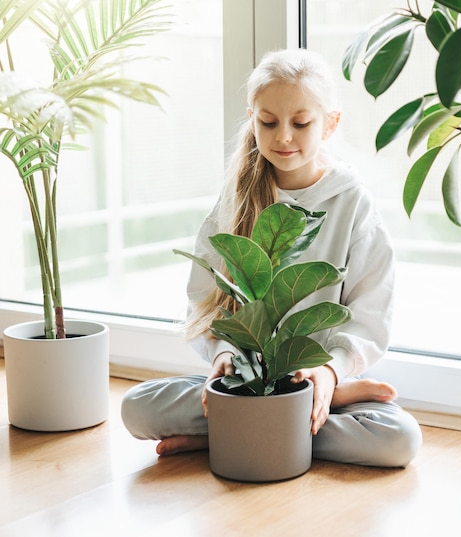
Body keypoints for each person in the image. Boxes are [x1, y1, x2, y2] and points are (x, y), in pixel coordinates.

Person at [121, 48, 422, 467]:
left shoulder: (352, 203)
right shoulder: (236, 200)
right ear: (252, 119)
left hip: (312, 383)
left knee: (398, 440)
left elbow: (371, 311)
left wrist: (329, 372)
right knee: (137, 407)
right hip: (245, 384)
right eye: (268, 122)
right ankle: (270, 428)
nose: (283, 136)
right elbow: (204, 300)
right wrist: (224, 354)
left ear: (330, 124)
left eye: (300, 123)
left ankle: (238, 431)